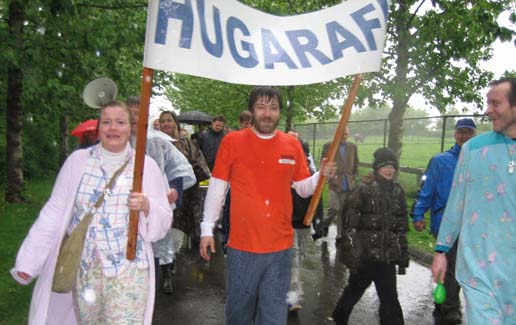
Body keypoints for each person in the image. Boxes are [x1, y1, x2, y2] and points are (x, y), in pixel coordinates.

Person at [10, 101, 172, 324]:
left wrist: (147, 206)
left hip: (129, 270)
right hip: (86, 270)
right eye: (106, 122)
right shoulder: (77, 162)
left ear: (130, 128)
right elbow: (53, 212)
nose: (113, 128)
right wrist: (29, 262)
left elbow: (162, 222)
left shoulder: (145, 167)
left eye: (120, 122)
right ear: (99, 127)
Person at [200, 86, 335, 325]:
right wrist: (207, 229)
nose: (267, 113)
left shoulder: (291, 145)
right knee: (239, 314)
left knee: (274, 316)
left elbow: (303, 187)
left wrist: (320, 176)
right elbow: (217, 188)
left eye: (273, 108)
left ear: (280, 112)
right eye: (261, 107)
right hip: (241, 248)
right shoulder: (232, 142)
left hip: (280, 249)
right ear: (252, 111)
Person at [431, 78, 516, 324]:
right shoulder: (474, 149)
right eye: (487, 103)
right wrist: (441, 249)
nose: (488, 110)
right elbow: (457, 200)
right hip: (479, 268)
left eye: (495, 103)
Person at [127, 97, 195, 295]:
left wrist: (175, 189)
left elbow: (181, 168)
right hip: (124, 215)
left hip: (153, 207)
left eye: (139, 113)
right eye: (130, 112)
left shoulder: (158, 143)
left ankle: (162, 278)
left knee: (156, 250)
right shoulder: (114, 141)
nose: (134, 117)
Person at [411, 118, 476, 324]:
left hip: (471, 223)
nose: (464, 136)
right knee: (450, 265)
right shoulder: (440, 161)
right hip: (444, 221)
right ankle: (451, 309)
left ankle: (444, 302)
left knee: (457, 267)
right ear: (455, 134)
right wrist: (419, 214)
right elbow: (427, 190)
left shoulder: (479, 159)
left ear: (474, 135)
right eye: (461, 132)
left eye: (468, 133)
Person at [333, 147, 408, 325]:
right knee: (353, 291)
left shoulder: (397, 191)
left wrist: (402, 252)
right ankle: (339, 316)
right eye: (385, 166)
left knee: (390, 298)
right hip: (365, 256)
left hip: (386, 258)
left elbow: (401, 224)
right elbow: (350, 225)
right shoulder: (363, 189)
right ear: (377, 168)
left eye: (392, 166)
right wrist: (353, 256)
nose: (389, 170)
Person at [159, 110, 210, 251]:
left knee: (186, 235)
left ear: (176, 123)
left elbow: (201, 166)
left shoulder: (187, 143)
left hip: (188, 196)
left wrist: (187, 175)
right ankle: (167, 266)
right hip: (165, 196)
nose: (166, 124)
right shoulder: (156, 144)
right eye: (162, 121)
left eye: (169, 120)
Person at [286, 129, 324, 312]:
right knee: (293, 258)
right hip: (287, 222)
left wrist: (318, 220)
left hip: (304, 222)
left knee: (298, 258)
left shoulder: (310, 171)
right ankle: (293, 298)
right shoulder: (283, 169)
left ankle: (285, 287)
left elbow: (318, 197)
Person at [321, 127, 359, 242]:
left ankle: (340, 234)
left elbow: (356, 163)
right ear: (337, 134)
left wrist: (353, 176)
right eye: (343, 134)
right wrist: (329, 177)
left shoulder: (352, 147)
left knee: (343, 210)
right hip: (334, 183)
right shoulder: (328, 146)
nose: (345, 136)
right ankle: (325, 224)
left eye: (347, 134)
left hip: (348, 183)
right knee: (334, 208)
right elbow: (324, 163)